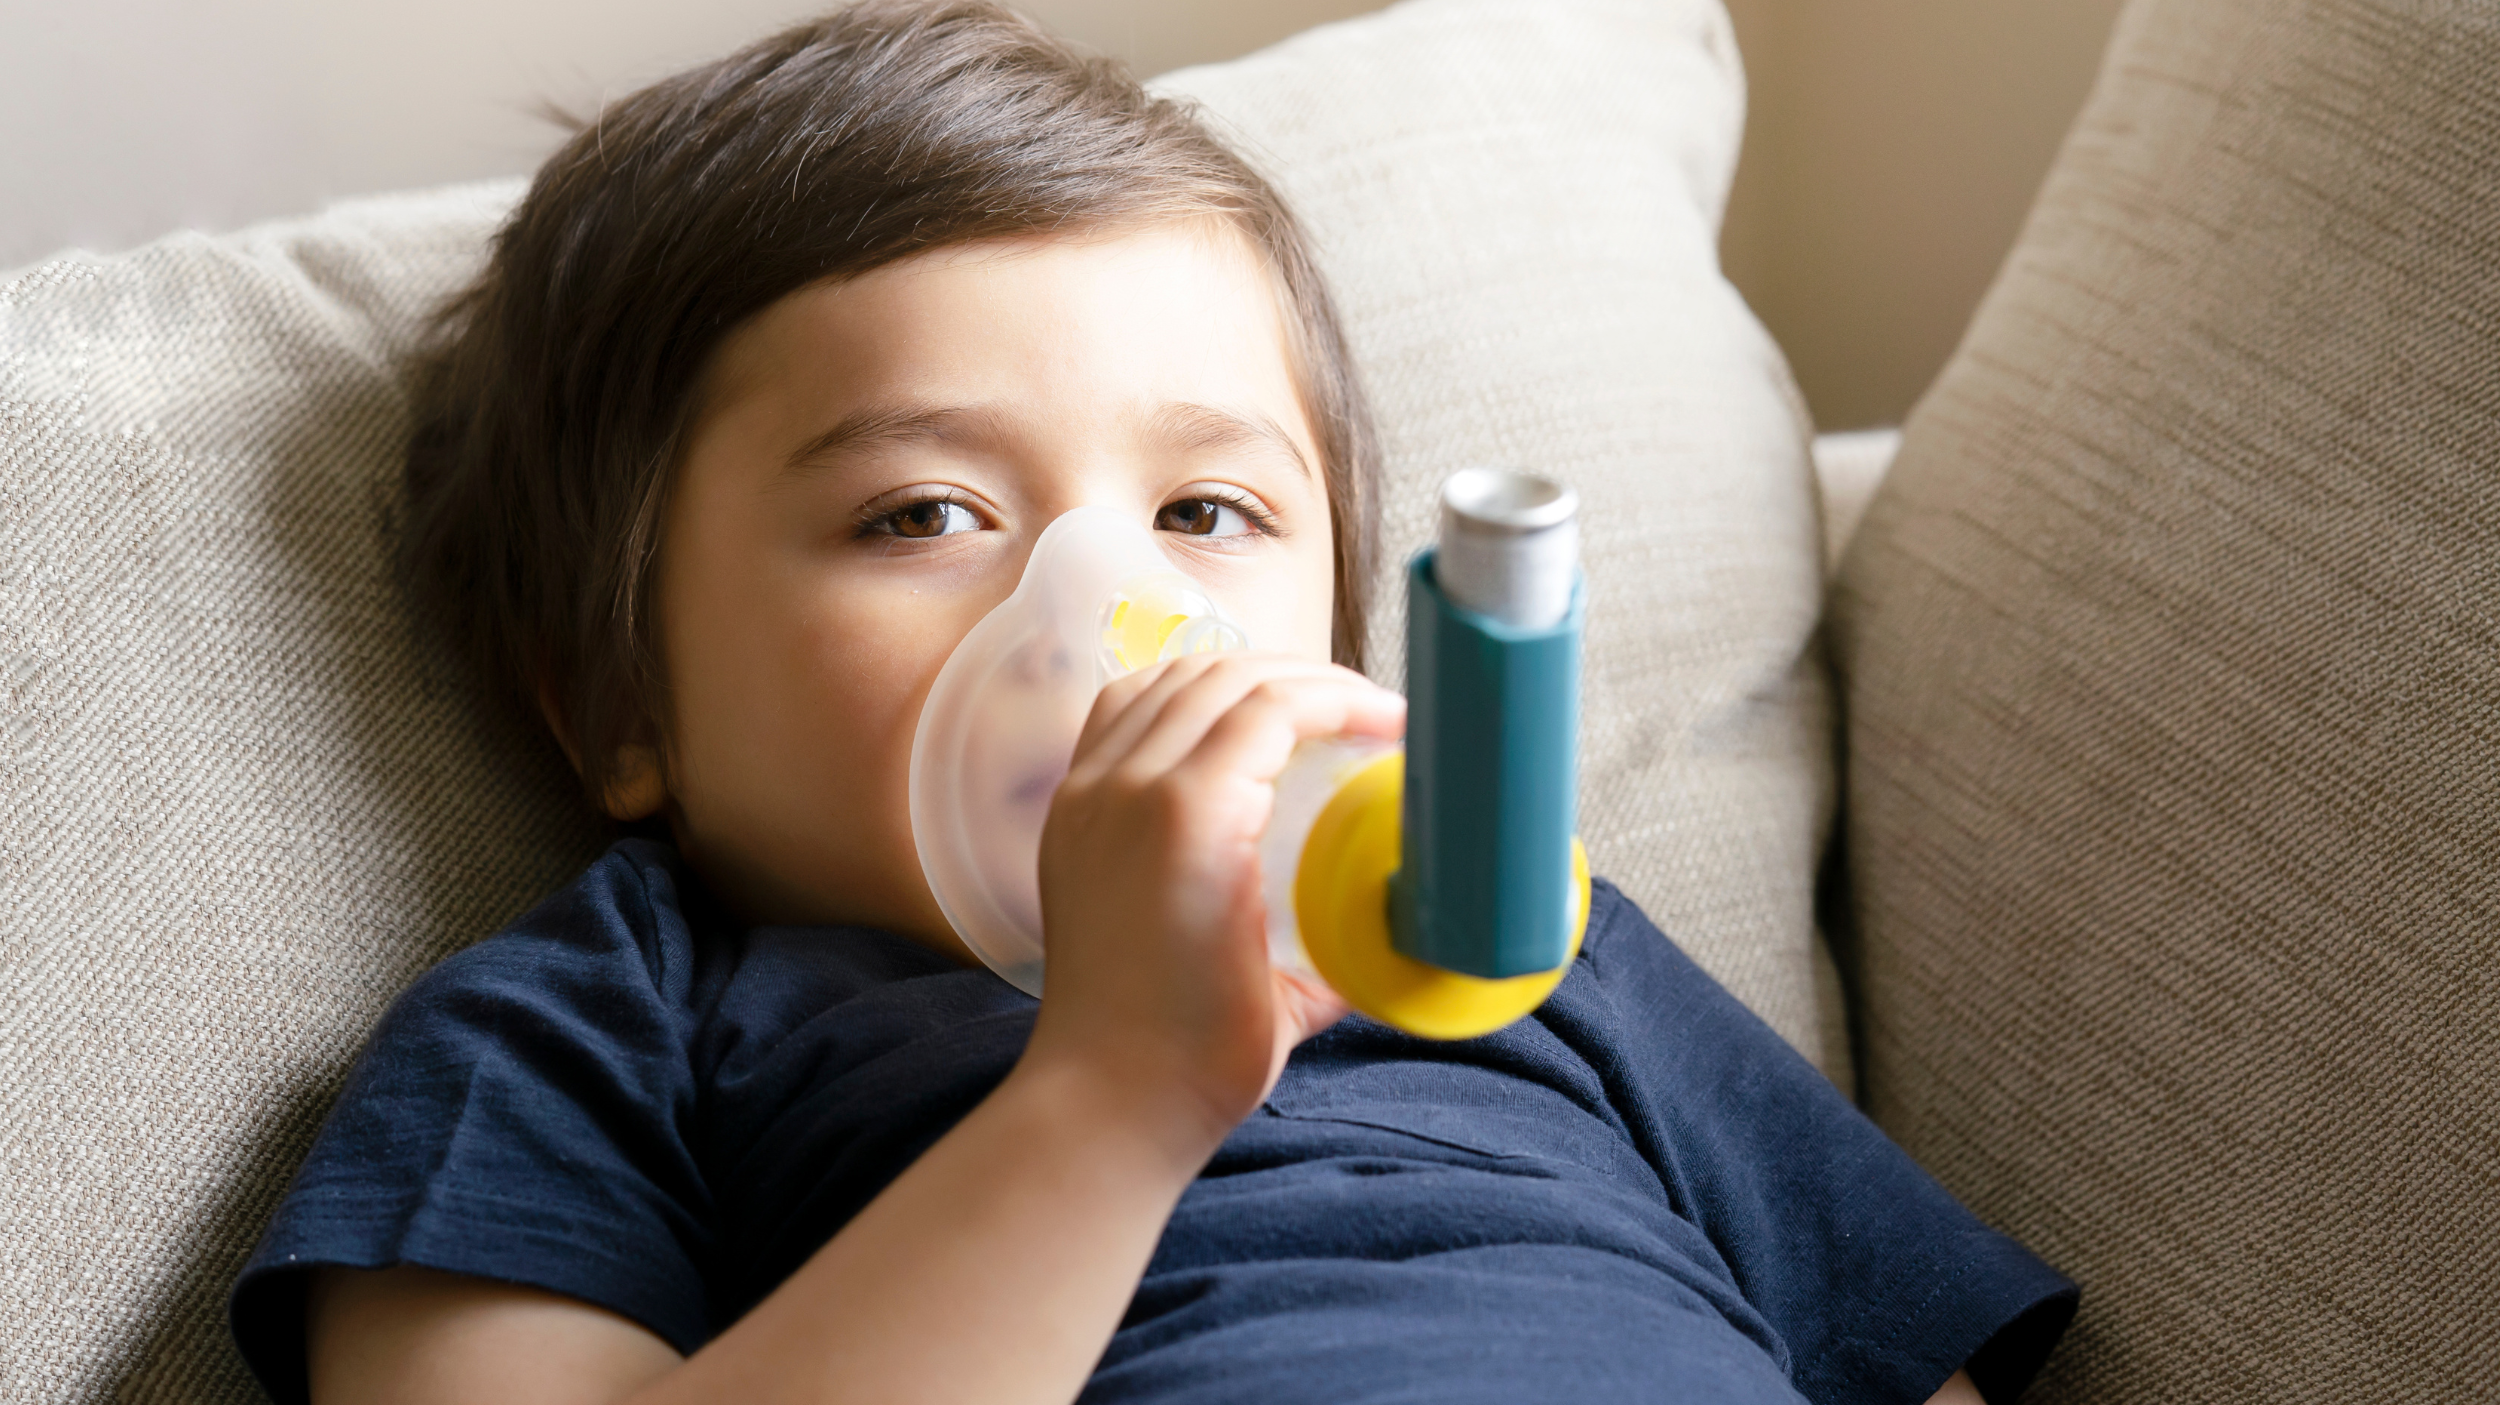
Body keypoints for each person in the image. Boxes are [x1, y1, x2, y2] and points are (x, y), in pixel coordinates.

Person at [227, 4, 2076, 1402]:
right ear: (615, 708)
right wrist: (1111, 1097)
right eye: (924, 514)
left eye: (1207, 511)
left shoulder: (1506, 921)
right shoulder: (587, 1030)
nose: (1122, 614)